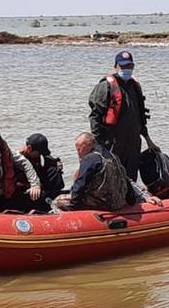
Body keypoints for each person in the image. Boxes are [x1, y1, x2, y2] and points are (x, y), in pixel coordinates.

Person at [88, 50, 159, 181]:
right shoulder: (105, 87)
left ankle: (132, 200)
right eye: (123, 66)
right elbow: (95, 117)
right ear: (116, 66)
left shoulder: (135, 87)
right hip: (113, 142)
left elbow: (140, 117)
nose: (126, 69)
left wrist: (148, 140)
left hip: (133, 142)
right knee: (112, 177)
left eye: (129, 66)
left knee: (131, 177)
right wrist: (99, 146)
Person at [55, 132, 161, 212]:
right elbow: (126, 179)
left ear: (87, 146)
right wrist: (142, 197)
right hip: (119, 203)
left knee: (57, 201)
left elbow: (80, 186)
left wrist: (74, 206)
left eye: (78, 149)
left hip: (102, 204)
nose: (77, 152)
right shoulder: (112, 156)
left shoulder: (90, 160)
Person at [18, 133, 65, 212]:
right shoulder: (17, 160)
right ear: (29, 149)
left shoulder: (44, 160)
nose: (41, 155)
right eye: (39, 153)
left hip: (41, 188)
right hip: (22, 193)